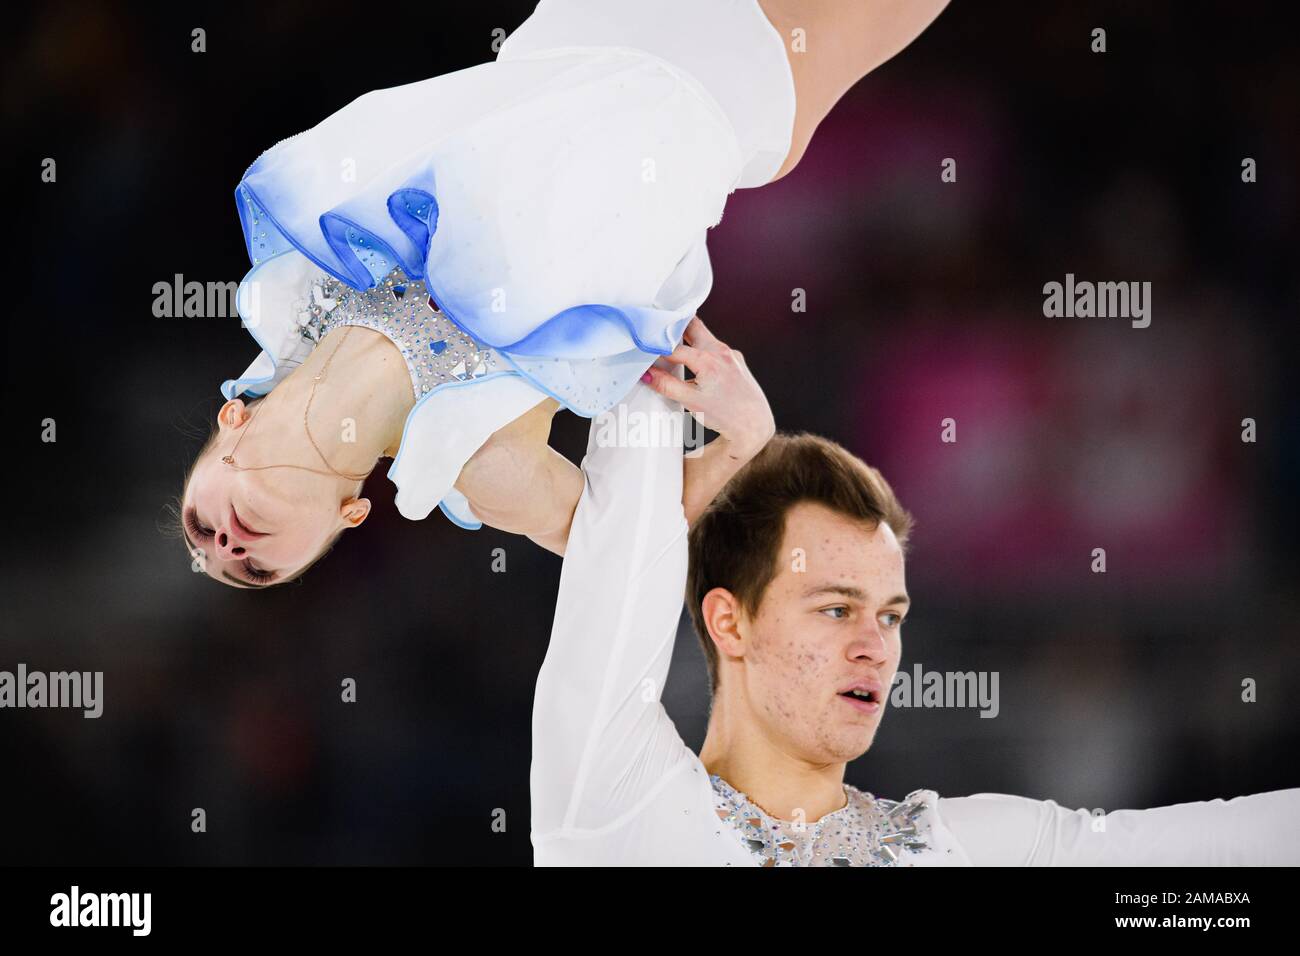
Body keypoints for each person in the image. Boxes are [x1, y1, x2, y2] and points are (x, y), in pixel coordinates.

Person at [176, 0, 953, 587]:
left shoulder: (303, 280)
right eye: (250, 571)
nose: (224, 547)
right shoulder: (479, 466)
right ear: (345, 521)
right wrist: (746, 435)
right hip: (725, 81)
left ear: (227, 423)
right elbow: (628, 545)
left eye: (199, 528)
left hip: (593, 21)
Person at [530, 342, 1300, 866]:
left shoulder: (957, 847)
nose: (876, 646)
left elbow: (1218, 856)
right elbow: (621, 549)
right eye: (835, 609)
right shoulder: (625, 805)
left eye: (889, 615)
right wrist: (678, 364)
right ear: (730, 621)